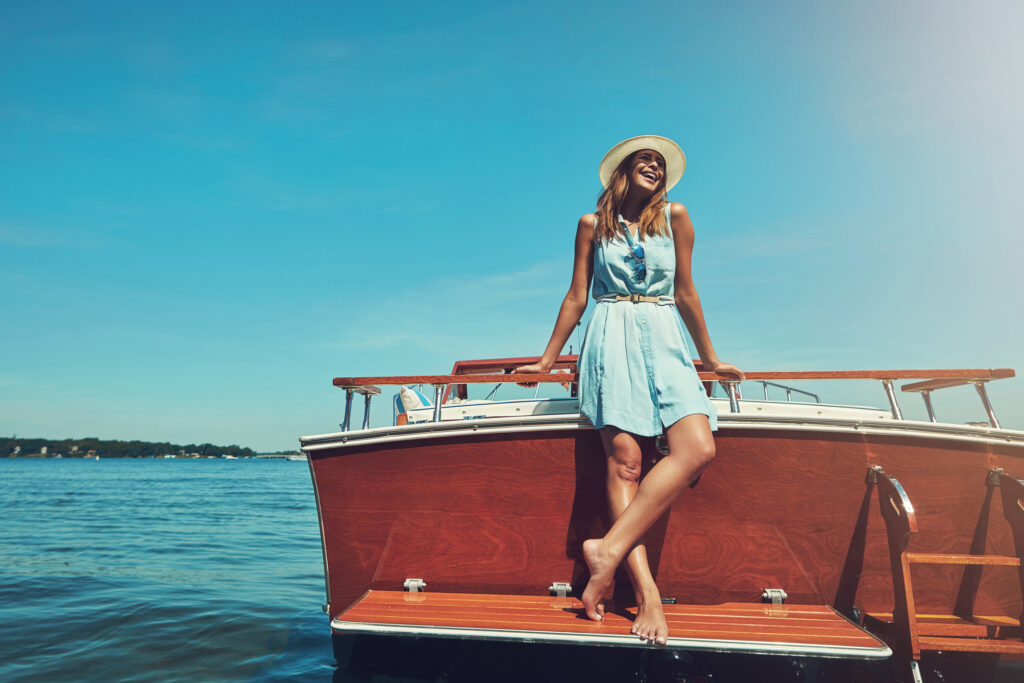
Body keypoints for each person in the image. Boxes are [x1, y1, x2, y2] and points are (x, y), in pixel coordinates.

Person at [515, 135, 743, 645]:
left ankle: (606, 550)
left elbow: (685, 290)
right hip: (610, 331)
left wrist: (709, 358)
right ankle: (648, 596)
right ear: (622, 170)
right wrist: (547, 359)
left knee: (698, 448)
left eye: (661, 163)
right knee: (625, 464)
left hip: (665, 334)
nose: (655, 166)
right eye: (646, 159)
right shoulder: (591, 226)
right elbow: (577, 295)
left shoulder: (677, 217)